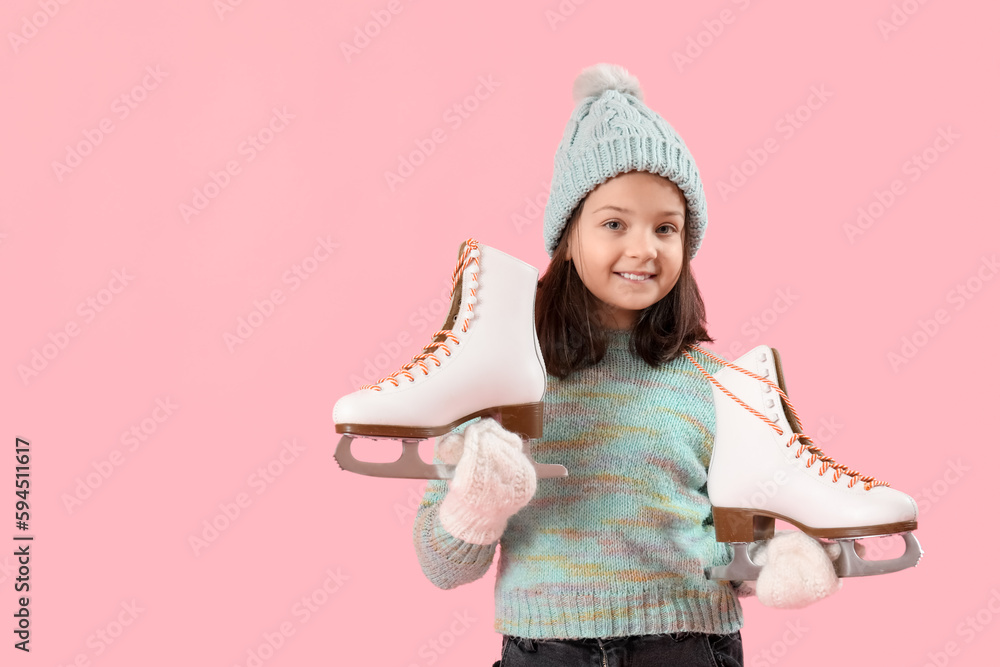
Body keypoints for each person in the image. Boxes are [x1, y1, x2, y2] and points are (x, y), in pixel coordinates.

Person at [412, 63, 823, 667]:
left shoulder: (715, 386)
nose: (643, 249)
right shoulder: (497, 378)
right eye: (613, 224)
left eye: (667, 228)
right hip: (546, 652)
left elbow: (733, 547)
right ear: (569, 235)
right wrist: (478, 502)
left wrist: (777, 562)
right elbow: (440, 565)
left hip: (690, 648)